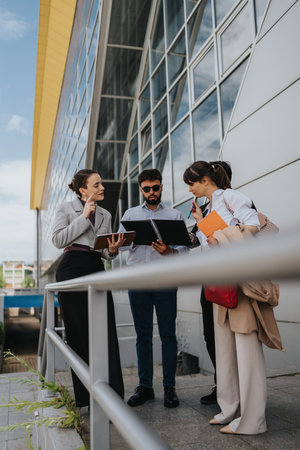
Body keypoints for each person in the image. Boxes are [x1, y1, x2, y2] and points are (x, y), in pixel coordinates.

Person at [183, 161, 268, 435]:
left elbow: (253, 226)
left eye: (192, 183)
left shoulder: (232, 197)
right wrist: (200, 222)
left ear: (205, 180)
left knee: (245, 347)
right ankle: (230, 407)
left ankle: (253, 419)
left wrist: (217, 233)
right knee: (225, 349)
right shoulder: (209, 206)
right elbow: (210, 244)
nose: (190, 189)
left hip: (238, 279)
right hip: (218, 281)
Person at [52, 169, 125, 407]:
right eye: (96, 184)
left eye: (101, 183)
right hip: (71, 269)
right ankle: (85, 398)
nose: (102, 187)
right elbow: (58, 240)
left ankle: (112, 396)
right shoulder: (65, 208)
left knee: (105, 330)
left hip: (95, 267)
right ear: (82, 190)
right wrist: (83, 217)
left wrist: (113, 249)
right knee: (78, 334)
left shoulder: (105, 213)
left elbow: (104, 252)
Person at [118, 169, 188, 408]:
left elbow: (185, 251)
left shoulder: (175, 215)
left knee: (168, 335)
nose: (151, 193)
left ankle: (170, 388)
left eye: (155, 188)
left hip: (165, 281)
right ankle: (145, 387)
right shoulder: (130, 214)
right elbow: (121, 246)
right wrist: (123, 241)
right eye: (147, 189)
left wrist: (169, 251)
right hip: (138, 282)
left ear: (161, 187)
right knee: (143, 336)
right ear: (141, 189)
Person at [190, 161, 232, 405]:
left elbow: (237, 234)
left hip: (229, 277)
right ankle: (222, 384)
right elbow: (196, 240)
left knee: (230, 334)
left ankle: (233, 386)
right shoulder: (204, 207)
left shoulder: (233, 201)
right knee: (210, 334)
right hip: (209, 279)